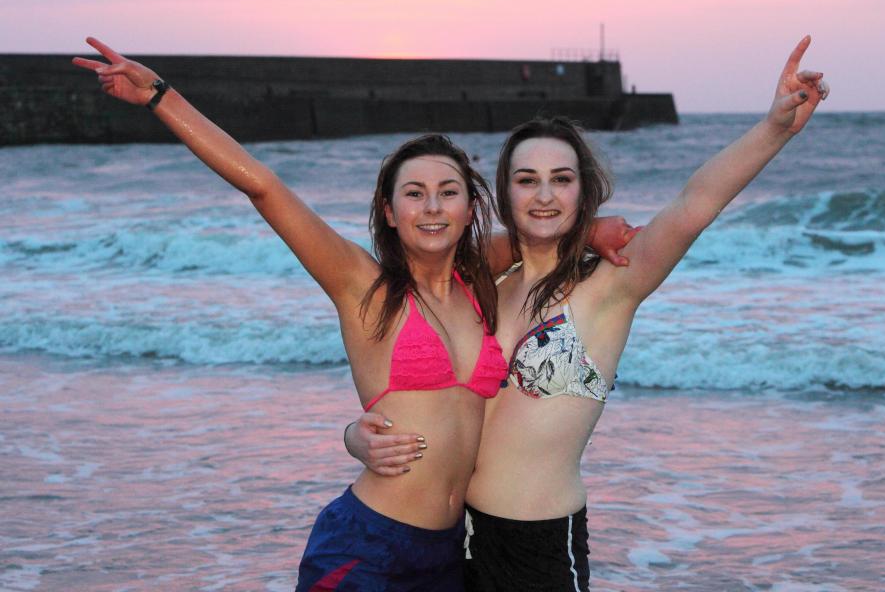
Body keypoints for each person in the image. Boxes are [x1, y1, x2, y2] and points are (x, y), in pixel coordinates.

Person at [345, 36, 829, 591]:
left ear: (583, 192)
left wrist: (773, 129)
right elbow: (428, 392)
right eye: (527, 180)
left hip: (542, 552)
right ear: (503, 195)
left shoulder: (609, 289)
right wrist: (352, 436)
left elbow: (695, 206)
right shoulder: (483, 288)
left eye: (562, 179)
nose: (544, 195)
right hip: (459, 546)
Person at [72, 37, 509, 591]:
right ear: (389, 211)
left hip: (448, 555)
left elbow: (537, 238)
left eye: (448, 193)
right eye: (414, 193)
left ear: (469, 208)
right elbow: (263, 187)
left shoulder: (477, 282)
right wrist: (161, 97)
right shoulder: (363, 286)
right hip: (367, 546)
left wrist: (594, 230)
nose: (431, 207)